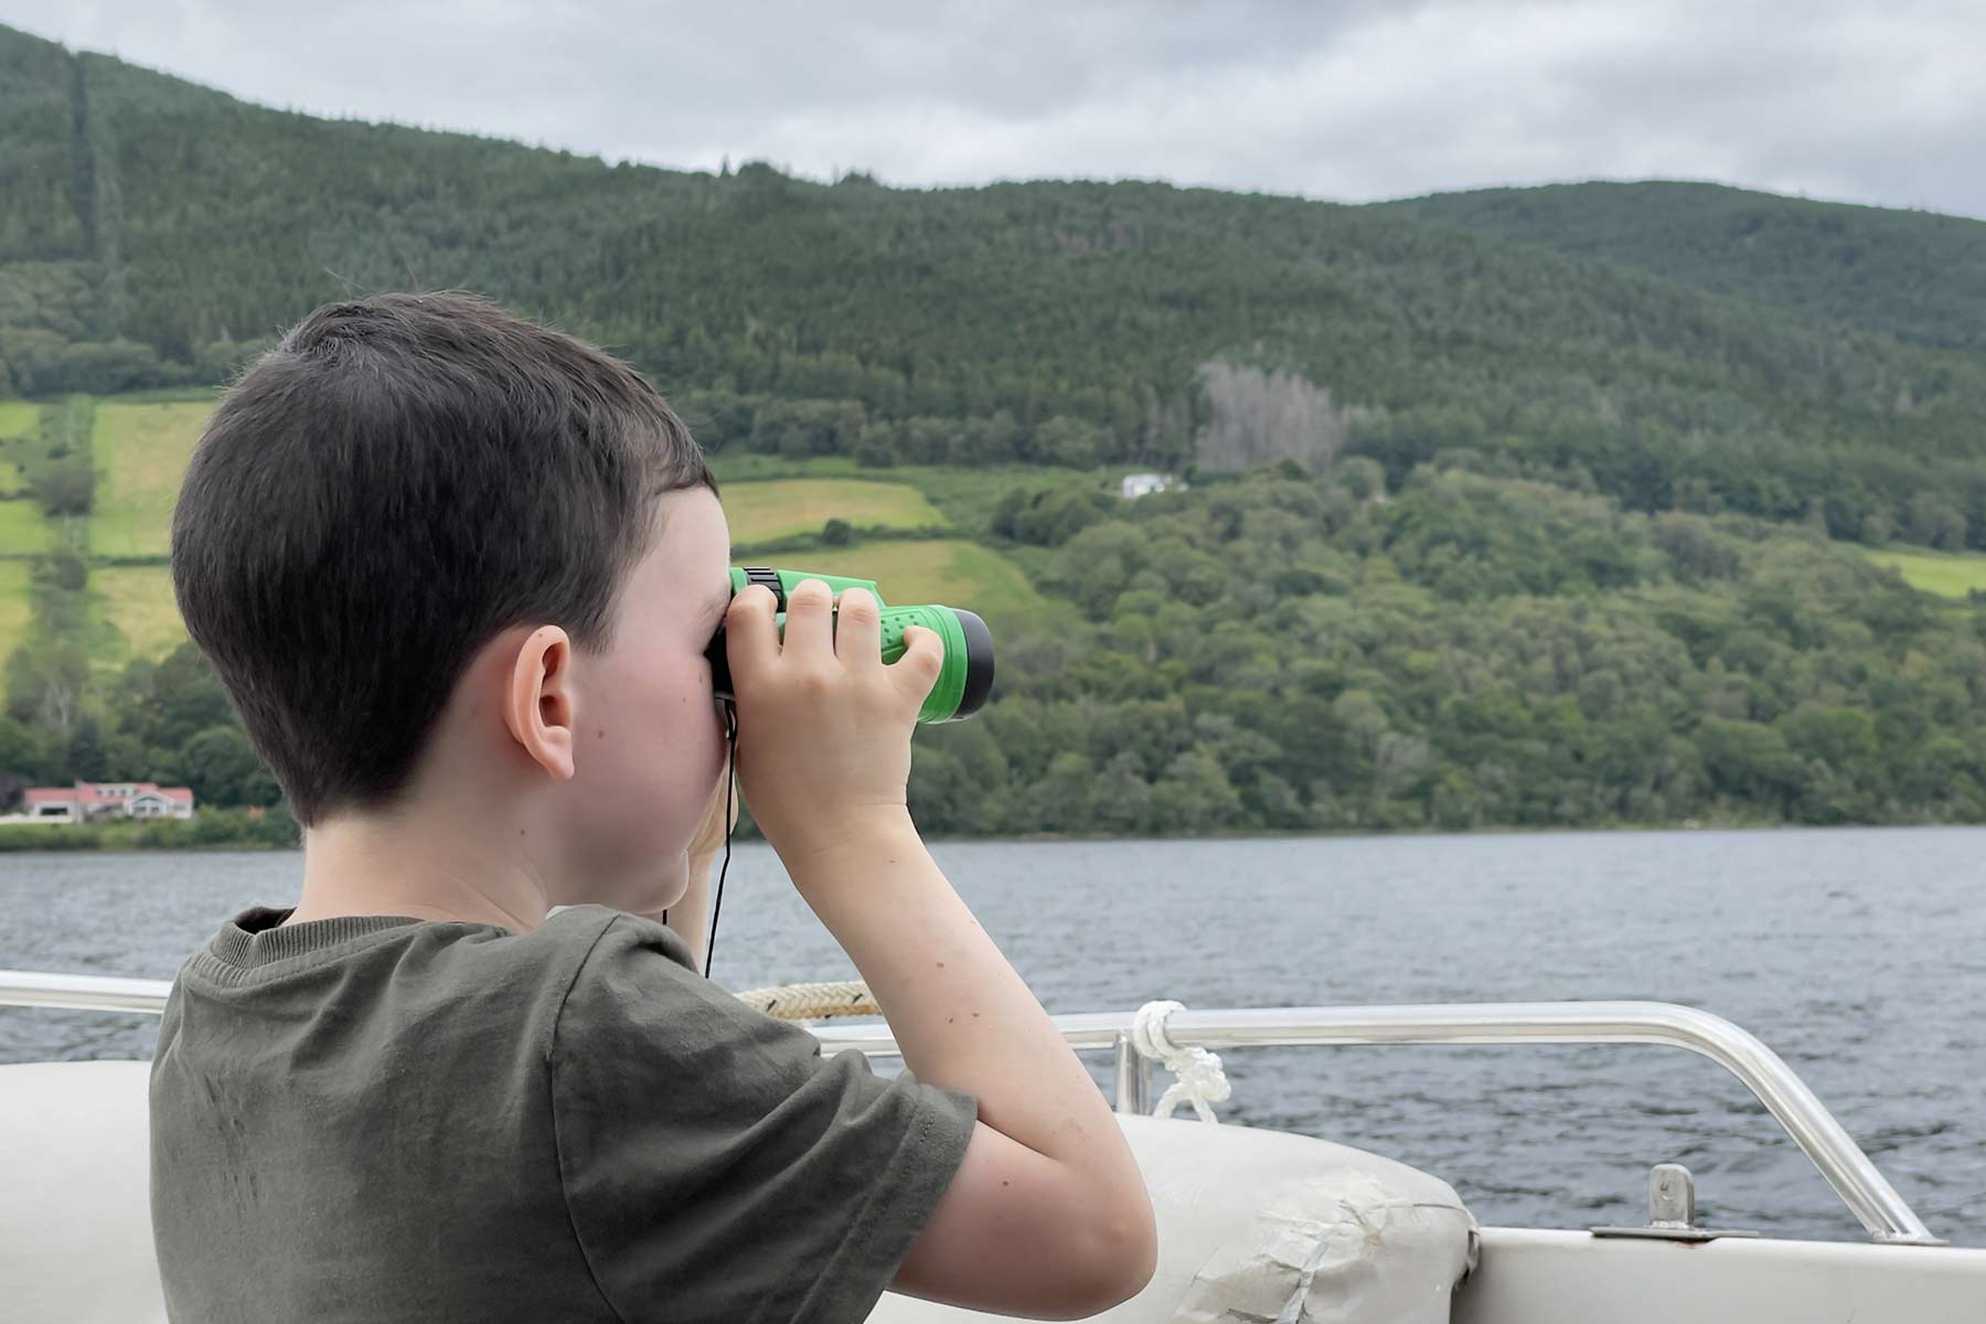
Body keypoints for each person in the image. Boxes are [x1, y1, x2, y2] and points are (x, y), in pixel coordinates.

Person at [150, 291, 1156, 1322]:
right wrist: (854, 831)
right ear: (548, 696)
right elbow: (1092, 1238)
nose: (732, 695)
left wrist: (688, 841)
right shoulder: (580, 1034)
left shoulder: (219, 1011)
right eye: (707, 641)